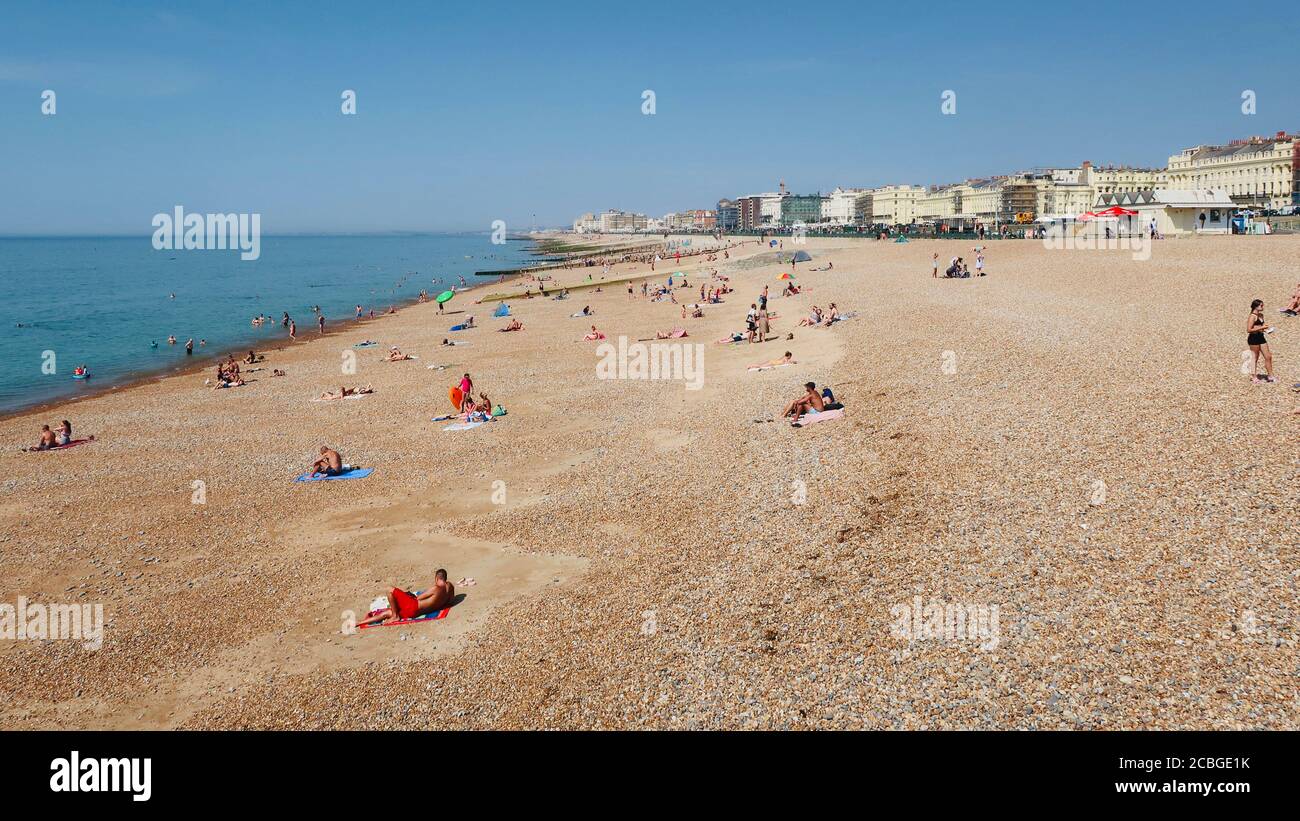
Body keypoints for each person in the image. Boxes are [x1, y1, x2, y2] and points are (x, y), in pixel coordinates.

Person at [356, 569, 456, 626]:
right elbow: (450, 601)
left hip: (413, 607)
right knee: (388, 612)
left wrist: (410, 597)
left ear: (437, 578)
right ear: (445, 578)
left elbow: (418, 598)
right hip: (417, 612)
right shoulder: (450, 586)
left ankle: (395, 616)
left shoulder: (436, 588)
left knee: (389, 590)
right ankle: (359, 622)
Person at [1247, 299, 1276, 383]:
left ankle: (1270, 375)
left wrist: (1266, 330)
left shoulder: (1261, 315)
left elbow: (1260, 327)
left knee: (1268, 356)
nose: (1263, 307)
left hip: (1261, 337)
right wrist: (1262, 328)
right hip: (1253, 338)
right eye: (1261, 306)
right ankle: (1254, 376)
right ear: (1256, 307)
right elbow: (1249, 329)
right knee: (1255, 357)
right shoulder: (1252, 316)